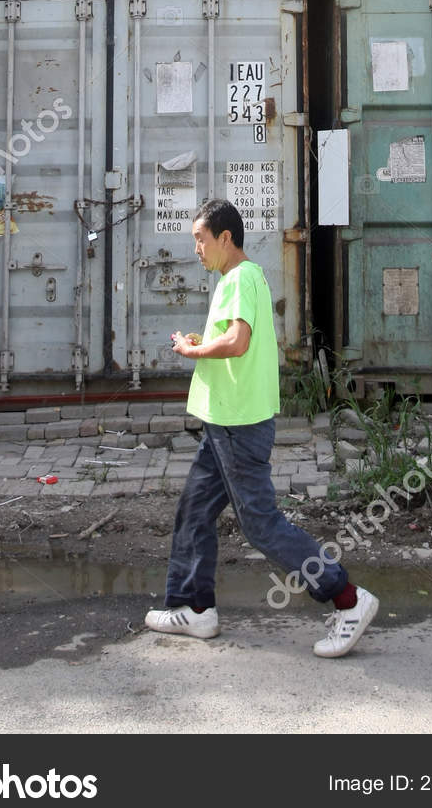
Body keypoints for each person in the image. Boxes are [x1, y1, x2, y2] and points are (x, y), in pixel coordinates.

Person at [144, 197, 378, 658]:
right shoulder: (242, 278)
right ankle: (194, 608)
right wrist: (202, 341)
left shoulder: (240, 277)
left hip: (237, 425)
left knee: (261, 525)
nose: (196, 249)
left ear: (225, 238)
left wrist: (193, 352)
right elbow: (234, 342)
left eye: (200, 239)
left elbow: (237, 342)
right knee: (194, 511)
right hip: (223, 424)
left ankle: (346, 599)